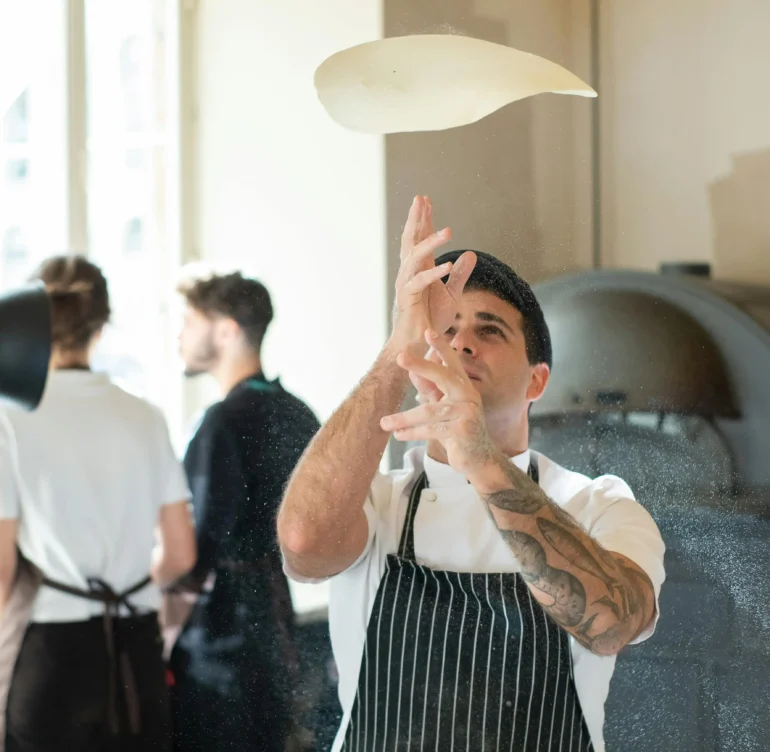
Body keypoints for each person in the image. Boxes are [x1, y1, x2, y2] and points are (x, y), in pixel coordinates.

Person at [278, 196, 666, 752]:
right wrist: (400, 346)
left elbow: (611, 624)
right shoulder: (377, 503)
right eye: (446, 330)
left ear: (537, 382)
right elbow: (303, 546)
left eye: (489, 330)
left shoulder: (599, 505)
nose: (460, 343)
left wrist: (479, 455)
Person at [0, 255, 196, 751]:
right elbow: (179, 555)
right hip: (136, 650)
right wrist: (126, 585)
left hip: (48, 650)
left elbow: (1, 573)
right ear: (102, 325)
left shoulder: (10, 421)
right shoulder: (146, 416)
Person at [170, 269, 321, 752]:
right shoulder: (299, 413)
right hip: (277, 636)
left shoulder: (221, 423)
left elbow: (197, 549)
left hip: (220, 647)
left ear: (226, 330)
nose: (180, 336)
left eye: (190, 322)